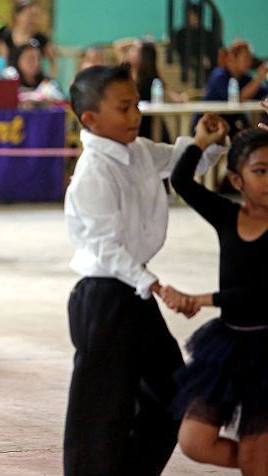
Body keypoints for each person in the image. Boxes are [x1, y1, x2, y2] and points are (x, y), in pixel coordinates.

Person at [63, 64, 228, 476]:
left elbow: (182, 161)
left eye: (136, 104)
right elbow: (107, 247)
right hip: (103, 296)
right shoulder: (93, 172)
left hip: (131, 292)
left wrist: (211, 142)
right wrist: (155, 285)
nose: (136, 116)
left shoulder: (136, 152)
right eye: (124, 108)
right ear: (91, 119)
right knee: (101, 412)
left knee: (172, 390)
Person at [163, 126, 268, 475]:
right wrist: (200, 142)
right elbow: (180, 180)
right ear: (237, 181)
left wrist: (201, 299)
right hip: (230, 343)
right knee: (195, 441)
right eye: (261, 171)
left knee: (256, 460)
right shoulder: (226, 215)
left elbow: (260, 293)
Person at [201, 40, 268, 137]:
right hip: (212, 125)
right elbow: (236, 98)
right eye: (246, 58)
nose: (249, 63)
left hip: (233, 125)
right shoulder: (219, 75)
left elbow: (263, 93)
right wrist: (259, 78)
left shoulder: (245, 78)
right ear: (233, 58)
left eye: (250, 59)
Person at [129, 41, 187, 141]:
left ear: (144, 57)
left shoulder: (153, 78)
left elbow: (173, 97)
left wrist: (180, 98)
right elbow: (119, 46)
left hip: (148, 125)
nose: (130, 52)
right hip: (131, 122)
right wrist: (138, 42)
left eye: (135, 50)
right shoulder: (125, 74)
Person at [0, 0, 56, 74]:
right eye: (29, 15)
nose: (32, 20)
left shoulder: (41, 39)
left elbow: (53, 63)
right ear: (17, 16)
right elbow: (3, 63)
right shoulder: (5, 37)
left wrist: (49, 81)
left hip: (35, 83)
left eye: (35, 16)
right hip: (13, 80)